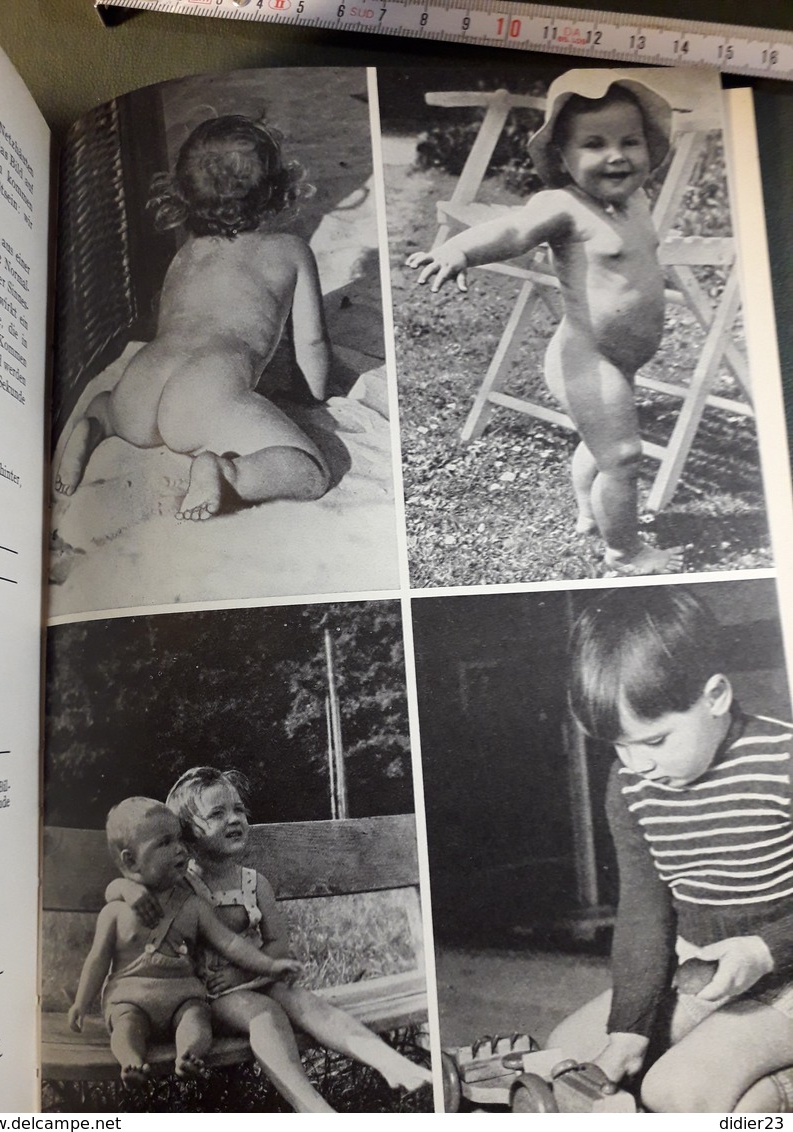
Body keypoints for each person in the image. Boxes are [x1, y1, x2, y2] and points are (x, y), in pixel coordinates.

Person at [407, 70, 685, 577]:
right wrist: (459, 250)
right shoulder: (563, 206)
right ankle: (624, 551)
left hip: (620, 359)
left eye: (630, 141)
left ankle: (587, 512)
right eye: (594, 144)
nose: (617, 155)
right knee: (622, 455)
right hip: (587, 357)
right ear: (561, 158)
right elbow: (512, 229)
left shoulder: (636, 201)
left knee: (600, 443)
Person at [549, 586, 793, 1111]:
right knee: (566, 1059)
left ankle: (775, 1099)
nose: (637, 764)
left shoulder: (783, 760)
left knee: (678, 1092)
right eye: (618, 744)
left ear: (716, 696)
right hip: (710, 974)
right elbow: (644, 907)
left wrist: (763, 950)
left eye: (655, 741)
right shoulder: (631, 785)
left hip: (787, 967)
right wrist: (630, 1029)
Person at [55, 114, 331, 521]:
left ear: (181, 194)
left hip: (142, 383)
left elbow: (172, 321)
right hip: (204, 396)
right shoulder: (290, 251)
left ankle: (94, 426)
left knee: (107, 405)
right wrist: (315, 397)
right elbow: (311, 344)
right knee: (309, 470)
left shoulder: (185, 253)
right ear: (276, 190)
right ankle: (227, 472)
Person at [109, 767, 431, 1112]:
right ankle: (313, 1107)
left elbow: (279, 944)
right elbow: (118, 887)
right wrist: (127, 889)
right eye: (217, 814)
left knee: (303, 1000)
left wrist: (245, 974)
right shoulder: (180, 886)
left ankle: (390, 1063)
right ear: (188, 834)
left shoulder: (254, 883)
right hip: (207, 998)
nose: (233, 819)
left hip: (254, 978)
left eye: (238, 809)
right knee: (265, 1013)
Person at [69, 797, 301, 1086]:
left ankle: (188, 1056)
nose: (180, 848)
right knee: (126, 1026)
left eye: (179, 839)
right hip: (131, 1000)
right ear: (131, 861)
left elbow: (229, 943)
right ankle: (131, 1061)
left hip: (183, 999)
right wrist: (81, 1002)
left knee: (196, 1019)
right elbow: (97, 960)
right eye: (164, 843)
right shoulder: (115, 912)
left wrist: (269, 965)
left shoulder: (193, 906)